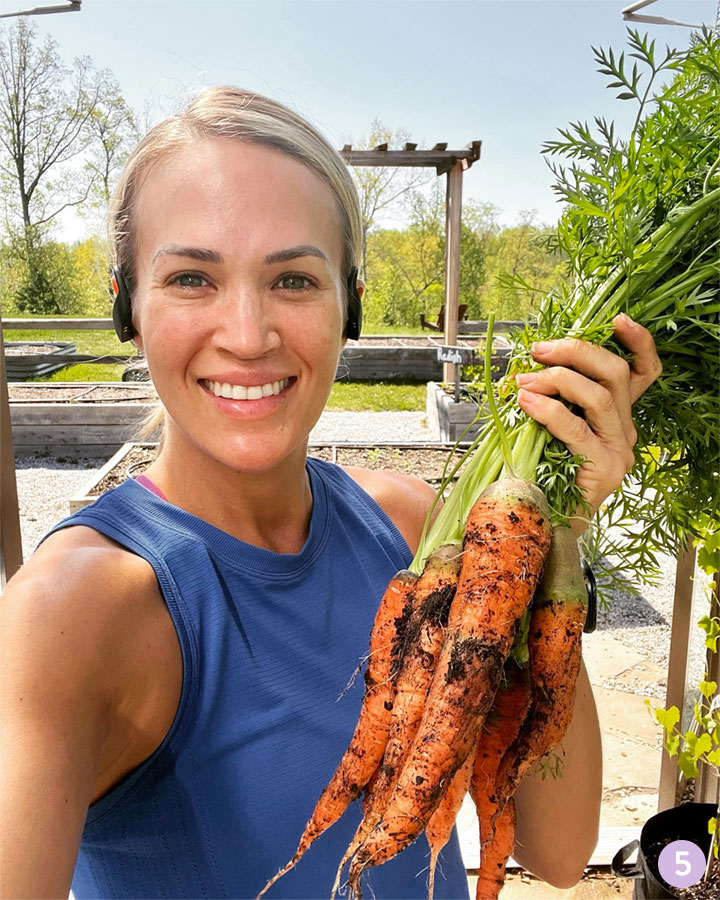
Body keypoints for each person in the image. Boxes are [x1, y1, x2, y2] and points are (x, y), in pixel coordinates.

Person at [0, 86, 662, 900]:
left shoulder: (413, 531)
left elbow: (560, 854)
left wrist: (559, 540)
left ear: (348, 303)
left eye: (293, 280)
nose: (247, 334)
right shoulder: (72, 612)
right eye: (191, 278)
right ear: (125, 308)